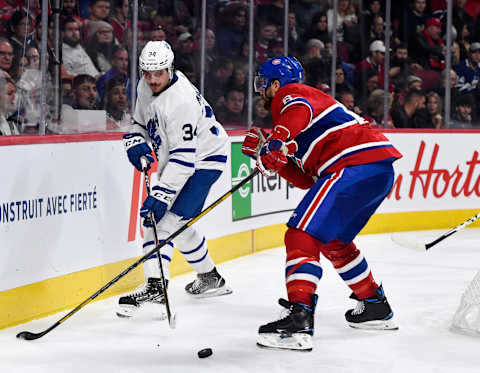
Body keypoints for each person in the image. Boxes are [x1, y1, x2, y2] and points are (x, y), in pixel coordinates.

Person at [241, 56, 402, 351]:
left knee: (300, 234)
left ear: (276, 84)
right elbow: (305, 180)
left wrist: (277, 139)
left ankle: (298, 318)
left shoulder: (293, 96)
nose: (261, 91)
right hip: (375, 168)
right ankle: (374, 305)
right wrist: (266, 151)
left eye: (264, 84)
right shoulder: (300, 126)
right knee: (334, 241)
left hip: (353, 164)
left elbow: (296, 110)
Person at [118, 41, 232, 317]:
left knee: (159, 221)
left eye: (158, 73)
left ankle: (156, 287)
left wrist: (161, 194)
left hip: (204, 161)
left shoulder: (179, 101)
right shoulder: (146, 86)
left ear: (171, 68)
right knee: (176, 223)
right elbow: (140, 123)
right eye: (147, 72)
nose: (152, 79)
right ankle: (210, 278)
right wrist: (134, 140)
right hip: (180, 160)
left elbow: (185, 158)